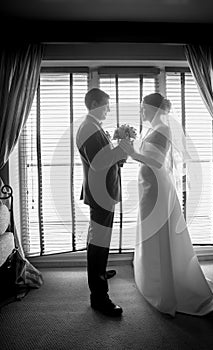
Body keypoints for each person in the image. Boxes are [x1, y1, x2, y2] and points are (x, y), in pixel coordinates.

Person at [120, 92, 213, 317]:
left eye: (143, 108)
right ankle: (150, 277)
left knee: (159, 230)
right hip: (147, 184)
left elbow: (158, 161)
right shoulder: (150, 128)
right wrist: (130, 147)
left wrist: (132, 153)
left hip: (158, 187)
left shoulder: (163, 128)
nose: (141, 112)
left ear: (153, 108)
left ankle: (164, 284)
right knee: (149, 228)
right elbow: (145, 154)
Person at [76, 88, 128, 317]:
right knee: (99, 241)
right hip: (101, 193)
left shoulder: (94, 126)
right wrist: (124, 147)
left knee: (98, 238)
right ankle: (99, 296)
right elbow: (100, 163)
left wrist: (118, 146)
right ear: (95, 103)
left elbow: (106, 158)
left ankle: (99, 271)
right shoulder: (88, 128)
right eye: (106, 104)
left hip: (104, 191)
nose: (108, 109)